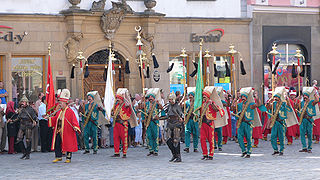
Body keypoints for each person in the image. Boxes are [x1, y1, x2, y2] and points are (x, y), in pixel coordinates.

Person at [47, 89, 80, 163]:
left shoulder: (70, 111)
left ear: (65, 103)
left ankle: (68, 157)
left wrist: (75, 126)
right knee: (57, 143)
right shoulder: (59, 112)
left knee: (68, 143)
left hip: (67, 131)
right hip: (58, 130)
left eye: (61, 103)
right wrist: (49, 118)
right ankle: (58, 156)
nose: (60, 104)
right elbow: (55, 119)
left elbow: (74, 120)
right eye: (60, 103)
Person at [232, 88, 262, 158]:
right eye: (242, 97)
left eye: (244, 97)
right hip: (240, 123)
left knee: (249, 138)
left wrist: (257, 97)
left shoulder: (251, 104)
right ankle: (243, 151)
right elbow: (232, 109)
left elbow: (258, 104)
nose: (243, 98)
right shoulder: (239, 105)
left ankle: (248, 152)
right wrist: (234, 101)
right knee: (239, 138)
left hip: (248, 123)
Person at [196, 90, 222, 160]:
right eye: (203, 95)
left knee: (211, 139)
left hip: (210, 123)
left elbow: (217, 110)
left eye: (205, 95)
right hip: (203, 123)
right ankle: (205, 154)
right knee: (202, 139)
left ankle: (211, 154)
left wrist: (212, 104)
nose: (204, 97)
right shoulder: (201, 103)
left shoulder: (211, 102)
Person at [266, 89, 292, 155]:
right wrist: (269, 102)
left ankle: (281, 150)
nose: (276, 98)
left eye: (277, 97)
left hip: (281, 122)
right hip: (275, 122)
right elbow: (267, 108)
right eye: (275, 97)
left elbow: (289, 108)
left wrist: (287, 99)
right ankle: (275, 149)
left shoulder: (283, 103)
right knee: (273, 136)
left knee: (281, 136)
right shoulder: (273, 103)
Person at [111, 89, 136, 158]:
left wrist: (124, 96)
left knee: (124, 138)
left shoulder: (125, 104)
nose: (117, 99)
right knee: (115, 138)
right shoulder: (116, 105)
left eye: (118, 98)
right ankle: (116, 152)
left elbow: (129, 105)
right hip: (116, 123)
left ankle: (124, 153)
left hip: (123, 124)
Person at [295, 87, 319, 153]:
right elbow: (296, 108)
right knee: (302, 134)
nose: (305, 98)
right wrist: (298, 100)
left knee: (309, 134)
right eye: (304, 97)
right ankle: (304, 147)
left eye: (306, 97)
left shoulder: (311, 102)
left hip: (309, 120)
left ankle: (309, 148)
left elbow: (317, 100)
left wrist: (315, 93)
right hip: (303, 120)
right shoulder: (301, 103)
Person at [139, 89, 163, 156]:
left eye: (151, 97)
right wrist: (142, 100)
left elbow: (161, 108)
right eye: (149, 97)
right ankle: (151, 149)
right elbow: (141, 109)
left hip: (154, 122)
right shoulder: (145, 104)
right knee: (149, 136)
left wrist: (159, 104)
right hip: (148, 122)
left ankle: (156, 150)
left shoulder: (156, 103)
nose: (150, 98)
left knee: (155, 136)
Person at [16, 95, 38, 159]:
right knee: (19, 139)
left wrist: (35, 121)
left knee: (28, 140)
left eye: (24, 102)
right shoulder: (21, 109)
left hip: (28, 125)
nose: (22, 103)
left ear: (26, 102)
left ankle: (28, 154)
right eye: (22, 102)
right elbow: (18, 117)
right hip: (22, 125)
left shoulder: (30, 109)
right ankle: (24, 152)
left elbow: (34, 116)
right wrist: (12, 120)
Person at [165, 92, 184, 162]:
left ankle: (178, 156)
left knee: (176, 141)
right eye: (169, 99)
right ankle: (174, 154)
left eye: (170, 99)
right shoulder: (169, 106)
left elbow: (181, 113)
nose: (169, 100)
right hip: (170, 124)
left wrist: (182, 118)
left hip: (176, 124)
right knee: (168, 140)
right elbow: (166, 113)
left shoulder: (178, 105)